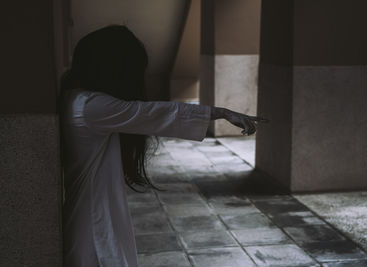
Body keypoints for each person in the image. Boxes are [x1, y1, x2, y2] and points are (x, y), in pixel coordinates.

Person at [60, 25, 267, 267]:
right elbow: (149, 112)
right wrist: (221, 112)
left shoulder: (77, 98)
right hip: (94, 219)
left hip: (93, 210)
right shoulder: (90, 107)